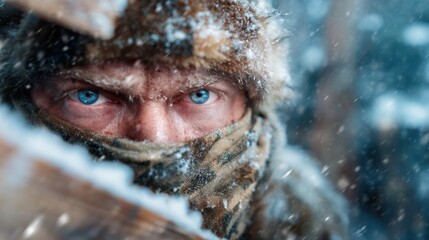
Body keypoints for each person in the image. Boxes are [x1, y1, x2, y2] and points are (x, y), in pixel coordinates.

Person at [0, 0, 349, 239]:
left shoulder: (305, 225)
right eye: (89, 96)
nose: (154, 137)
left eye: (199, 96)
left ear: (252, 108)